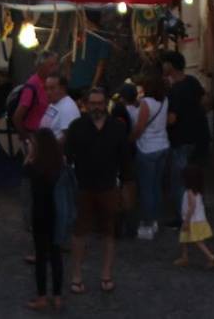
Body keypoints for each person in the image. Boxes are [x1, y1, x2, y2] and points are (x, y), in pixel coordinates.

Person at [65, 85, 128, 294]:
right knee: (79, 232)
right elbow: (68, 156)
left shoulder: (117, 128)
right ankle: (76, 274)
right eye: (92, 103)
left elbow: (126, 160)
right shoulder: (77, 127)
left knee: (109, 232)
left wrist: (126, 188)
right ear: (85, 104)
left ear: (106, 103)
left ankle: (106, 273)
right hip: (83, 187)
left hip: (109, 186)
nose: (97, 107)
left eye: (100, 103)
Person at [161, 50, 210, 226]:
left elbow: (172, 119)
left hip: (182, 140)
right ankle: (198, 214)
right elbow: (205, 101)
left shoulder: (175, 90)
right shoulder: (192, 81)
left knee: (180, 181)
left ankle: (184, 218)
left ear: (170, 66)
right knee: (196, 178)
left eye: (164, 63)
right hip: (200, 137)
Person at [26, 129, 66, 311]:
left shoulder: (33, 167)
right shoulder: (60, 165)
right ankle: (57, 296)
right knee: (56, 255)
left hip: (40, 215)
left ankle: (42, 296)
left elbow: (25, 174)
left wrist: (29, 155)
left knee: (41, 256)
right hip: (57, 214)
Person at [132, 73, 171, 241]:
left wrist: (130, 139)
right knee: (156, 186)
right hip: (163, 145)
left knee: (146, 188)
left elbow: (139, 128)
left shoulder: (146, 103)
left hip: (147, 148)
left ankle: (147, 223)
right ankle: (155, 220)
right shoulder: (164, 101)